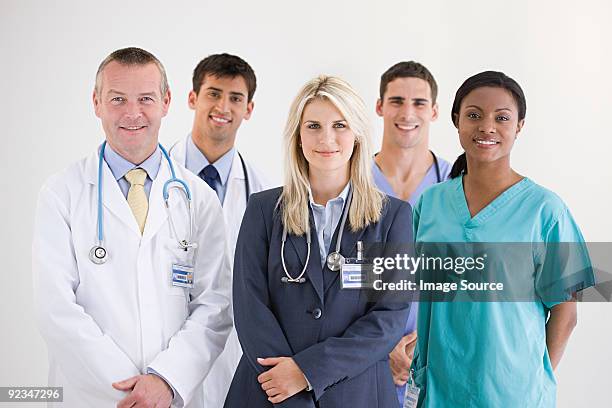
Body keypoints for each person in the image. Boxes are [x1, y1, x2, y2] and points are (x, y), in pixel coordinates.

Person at [32, 47, 232, 408]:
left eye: (145, 99)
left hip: (173, 396)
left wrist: (165, 381)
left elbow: (215, 305)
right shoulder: (61, 193)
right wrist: (132, 392)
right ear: (96, 102)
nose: (132, 113)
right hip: (94, 398)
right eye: (118, 99)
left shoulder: (198, 199)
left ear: (166, 101)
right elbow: (55, 308)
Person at [224, 75, 413, 408]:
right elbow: (249, 307)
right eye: (313, 126)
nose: (326, 138)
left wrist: (307, 372)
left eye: (340, 125)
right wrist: (286, 383)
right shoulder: (263, 211)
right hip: (271, 392)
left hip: (359, 393)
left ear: (357, 135)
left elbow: (388, 318)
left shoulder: (392, 217)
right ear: (298, 136)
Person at [411, 71, 594, 407]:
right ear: (456, 121)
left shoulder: (544, 210)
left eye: (502, 118)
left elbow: (566, 314)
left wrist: (530, 382)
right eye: (474, 115)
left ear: (519, 126)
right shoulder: (431, 203)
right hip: (437, 388)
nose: (487, 127)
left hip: (512, 393)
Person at [170, 53, 269, 408]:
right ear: (192, 98)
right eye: (213, 93)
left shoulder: (264, 190)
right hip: (166, 345)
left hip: (234, 351)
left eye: (235, 98)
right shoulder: (155, 179)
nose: (223, 106)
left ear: (249, 108)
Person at [373, 61, 451, 405]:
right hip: (364, 352)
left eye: (419, 103)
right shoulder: (353, 180)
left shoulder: (455, 183)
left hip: (437, 350)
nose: (408, 112)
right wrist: (383, 342)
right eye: (396, 101)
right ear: (380, 107)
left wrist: (421, 342)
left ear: (434, 111)